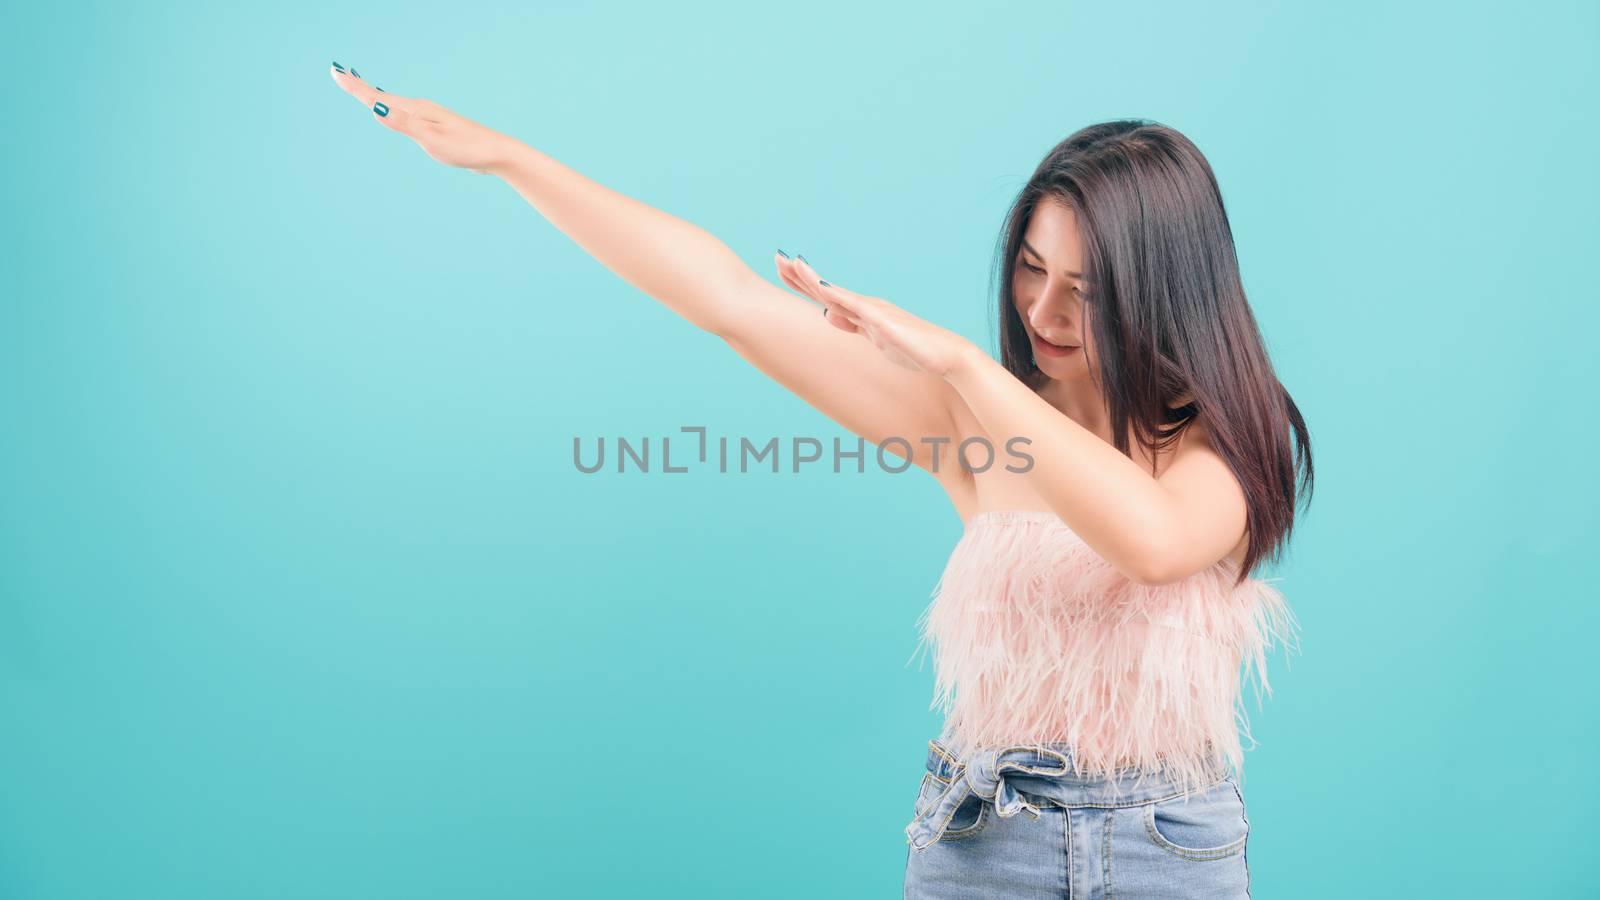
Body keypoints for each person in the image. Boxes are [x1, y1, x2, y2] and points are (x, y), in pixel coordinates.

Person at [328, 62, 1312, 899]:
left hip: (1170, 851)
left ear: (1161, 290)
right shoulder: (966, 429)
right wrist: (510, 159)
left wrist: (962, 366)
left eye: (1085, 289)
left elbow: (1148, 542)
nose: (1042, 309)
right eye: (1027, 266)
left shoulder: (1220, 439)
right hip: (985, 843)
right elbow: (729, 301)